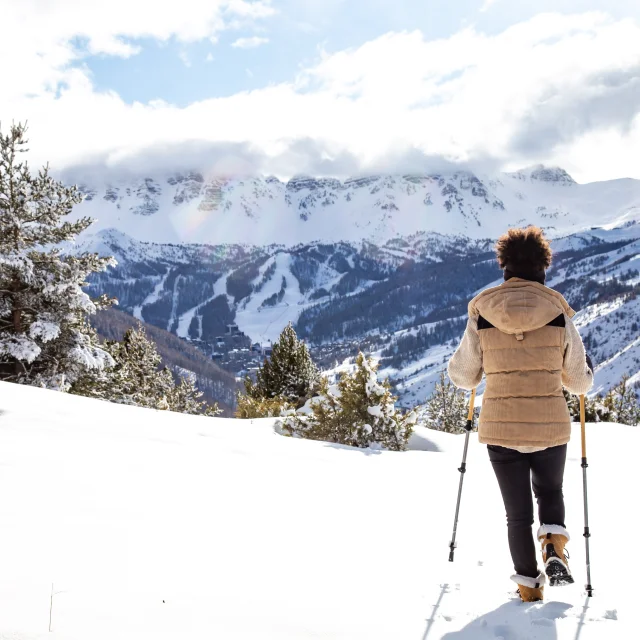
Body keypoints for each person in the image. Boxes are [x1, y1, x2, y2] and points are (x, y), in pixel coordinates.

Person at [447, 226, 593, 603]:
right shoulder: (559, 311)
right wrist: (586, 372)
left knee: (517, 515)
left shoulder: (482, 310)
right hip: (550, 425)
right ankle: (553, 544)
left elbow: (464, 376)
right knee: (550, 490)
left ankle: (528, 588)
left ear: (505, 266)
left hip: (500, 427)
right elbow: (578, 382)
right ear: (543, 267)